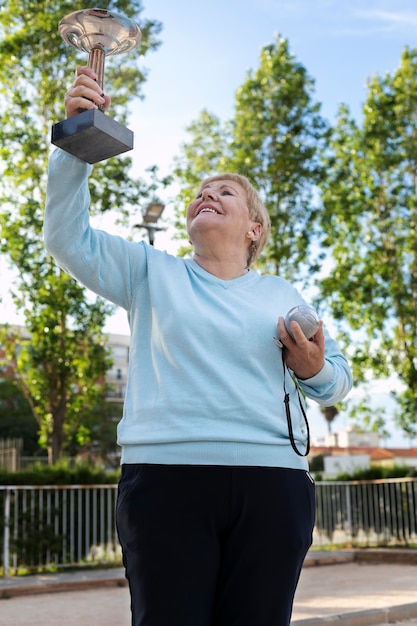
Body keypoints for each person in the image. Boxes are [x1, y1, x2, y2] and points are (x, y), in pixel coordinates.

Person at [44, 66, 353, 626]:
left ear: (254, 227)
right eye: (200, 192)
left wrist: (312, 368)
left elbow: (337, 379)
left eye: (224, 192)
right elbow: (66, 239)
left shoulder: (283, 294)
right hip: (166, 480)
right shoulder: (148, 272)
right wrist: (74, 141)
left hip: (273, 486)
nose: (205, 195)